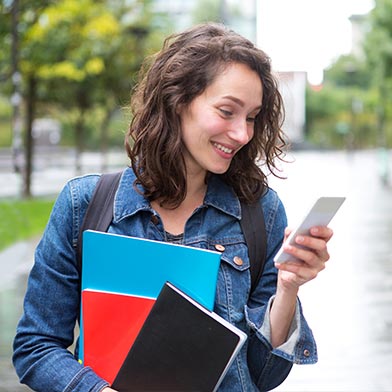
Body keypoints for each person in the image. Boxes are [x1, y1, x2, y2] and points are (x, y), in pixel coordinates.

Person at [13, 22, 333, 392]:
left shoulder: (261, 212)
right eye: (227, 111)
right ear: (177, 100)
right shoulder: (84, 205)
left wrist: (289, 288)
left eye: (251, 117)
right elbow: (35, 348)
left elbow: (264, 375)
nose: (243, 134)